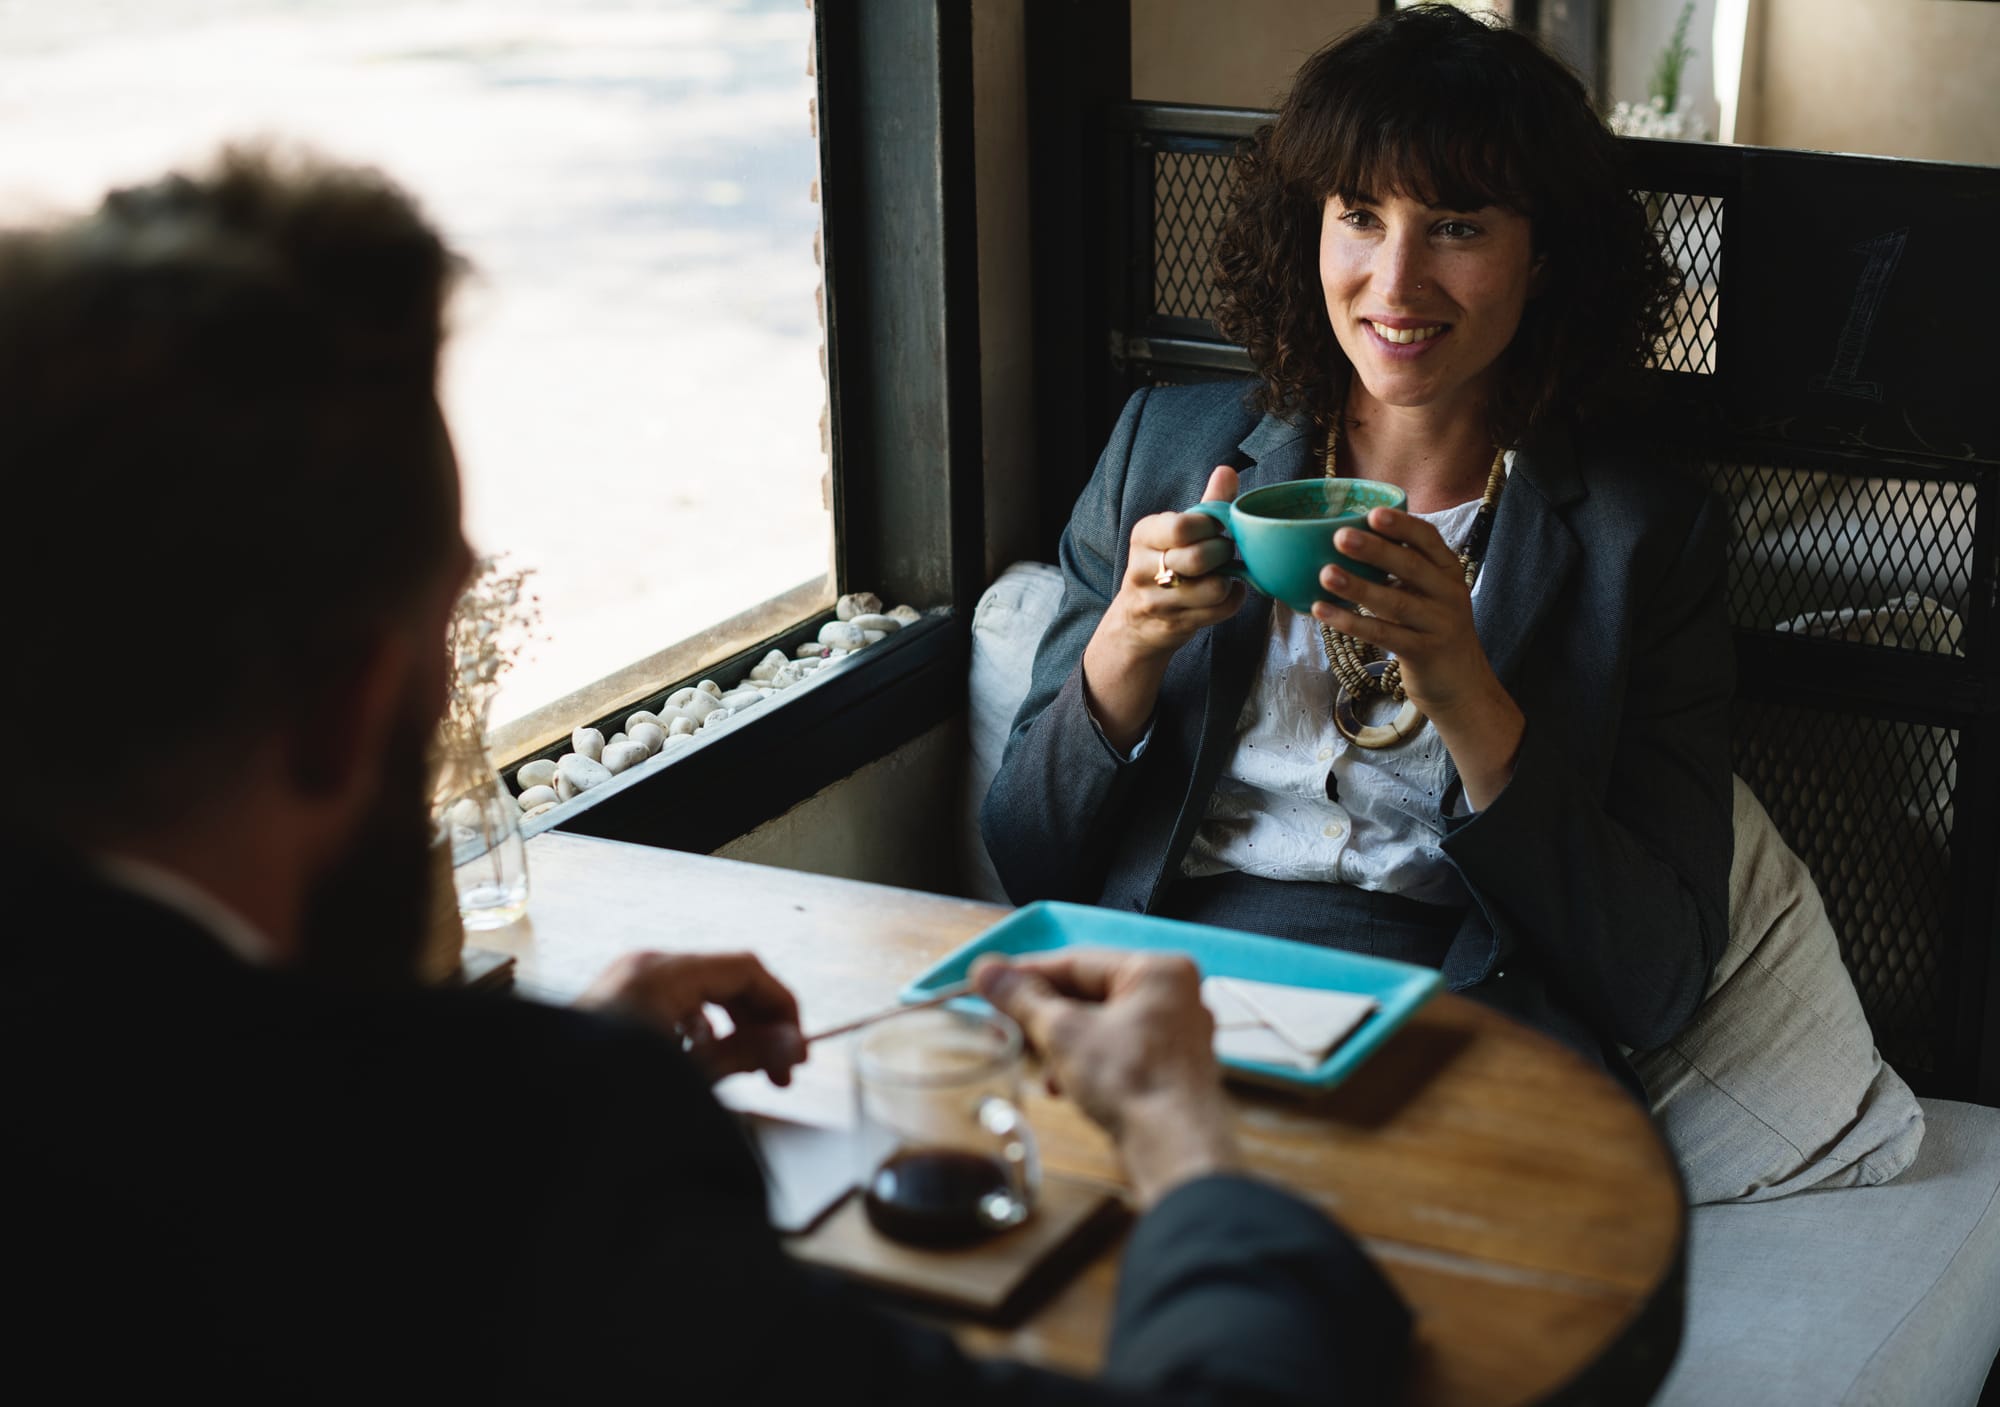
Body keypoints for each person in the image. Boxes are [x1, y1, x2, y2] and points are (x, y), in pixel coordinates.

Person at [1, 149, 1410, 1403]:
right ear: (348, 710)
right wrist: (1184, 1139)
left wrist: (510, 1091)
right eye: (448, 633)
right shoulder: (538, 1181)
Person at [982, 4, 1733, 1082]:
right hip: (1167, 978)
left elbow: (1653, 982)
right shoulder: (1168, 448)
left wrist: (1463, 686)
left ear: (1545, 257)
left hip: (1460, 1013)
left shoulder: (1641, 534)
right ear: (1310, 230)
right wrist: (1125, 649)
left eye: (1458, 226)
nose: (1394, 284)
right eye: (1360, 218)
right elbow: (1025, 856)